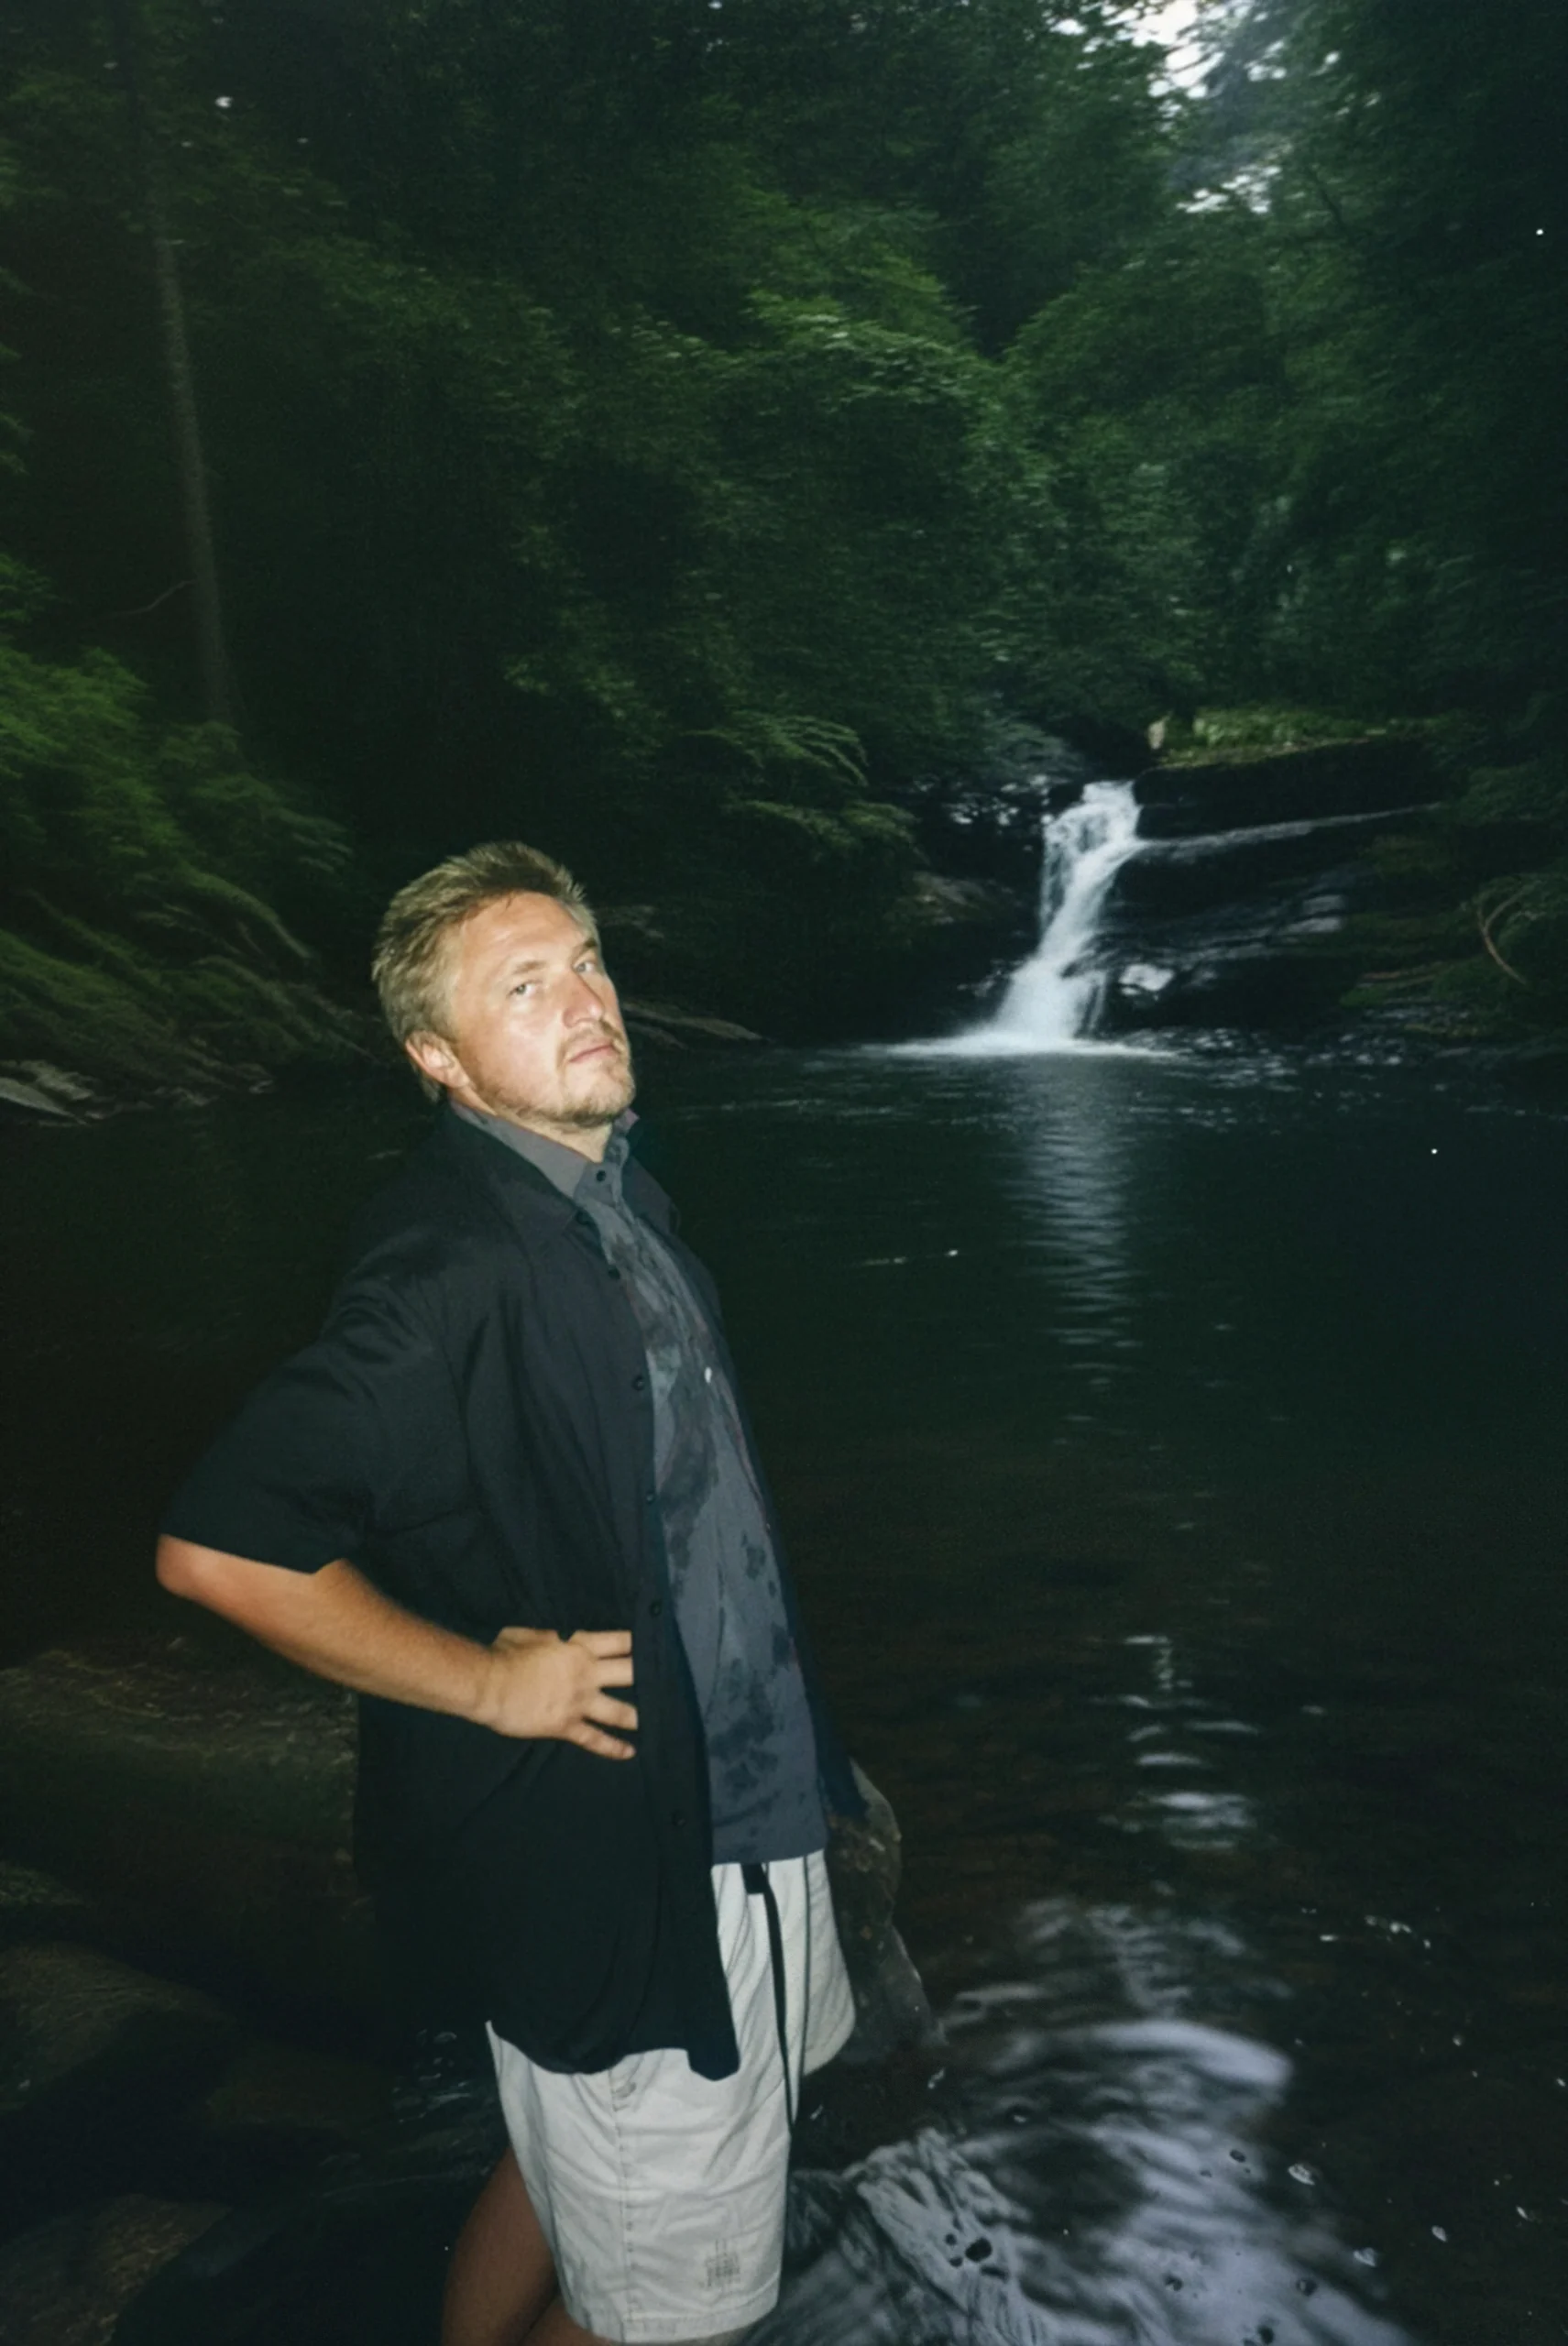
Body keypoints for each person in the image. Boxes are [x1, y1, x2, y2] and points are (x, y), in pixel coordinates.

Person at [156, 841, 861, 2346]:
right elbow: (220, 1546)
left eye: (587, 961)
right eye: (523, 987)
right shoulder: (451, 1267)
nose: (586, 1000)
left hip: (730, 1813)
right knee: (664, 2318)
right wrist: (488, 1682)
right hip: (636, 1871)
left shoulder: (606, 1195)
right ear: (438, 1058)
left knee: (560, 2165)